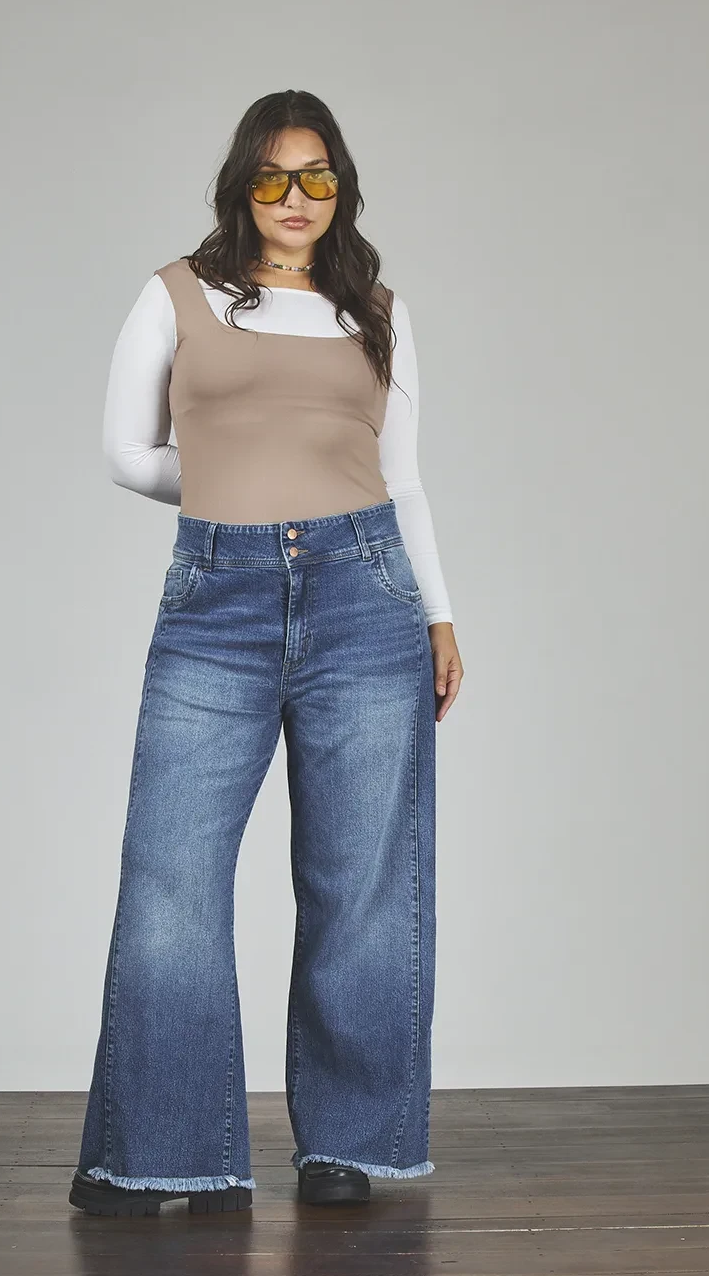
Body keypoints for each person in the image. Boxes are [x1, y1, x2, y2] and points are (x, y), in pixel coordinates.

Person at [69, 89, 464, 1218]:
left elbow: (402, 478)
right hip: (219, 594)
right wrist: (236, 491)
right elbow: (126, 452)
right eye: (274, 177)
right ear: (242, 185)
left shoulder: (376, 310)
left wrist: (438, 615)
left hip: (367, 593)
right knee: (172, 876)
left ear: (342, 189)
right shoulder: (177, 294)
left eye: (318, 176)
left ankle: (347, 1146)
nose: (297, 198)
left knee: (362, 880)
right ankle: (164, 1154)